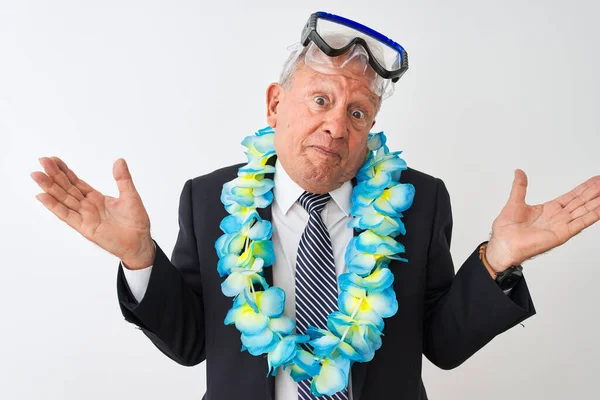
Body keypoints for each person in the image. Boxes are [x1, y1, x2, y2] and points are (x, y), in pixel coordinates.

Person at [30, 11, 599, 400]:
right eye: (321, 99)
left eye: (357, 113)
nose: (335, 125)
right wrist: (139, 261)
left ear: (372, 128)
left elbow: (442, 346)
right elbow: (190, 345)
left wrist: (496, 260)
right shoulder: (208, 199)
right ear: (276, 104)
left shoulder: (421, 201)